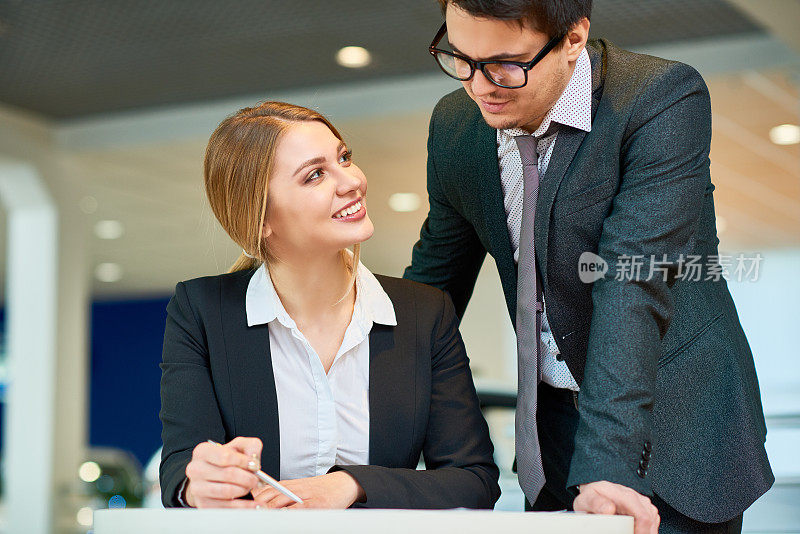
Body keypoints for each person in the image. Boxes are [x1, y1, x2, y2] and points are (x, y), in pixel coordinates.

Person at [404, 1, 773, 532]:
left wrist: (607, 467)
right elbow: (434, 286)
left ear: (574, 38)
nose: (479, 85)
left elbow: (631, 280)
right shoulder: (457, 125)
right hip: (552, 434)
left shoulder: (659, 98)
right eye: (460, 57)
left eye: (506, 64)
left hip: (678, 424)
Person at [159, 101, 500, 510]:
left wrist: (351, 485)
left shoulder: (424, 313)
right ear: (261, 218)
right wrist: (199, 486)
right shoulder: (200, 312)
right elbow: (181, 469)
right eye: (316, 175)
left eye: (344, 158)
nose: (352, 180)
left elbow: (473, 480)